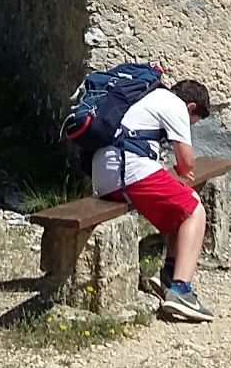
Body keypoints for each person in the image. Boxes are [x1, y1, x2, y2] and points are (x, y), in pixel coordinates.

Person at [90, 76, 215, 322]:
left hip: (107, 174)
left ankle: (169, 274)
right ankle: (181, 290)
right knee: (194, 209)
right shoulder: (174, 104)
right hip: (129, 169)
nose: (191, 124)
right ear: (191, 107)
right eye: (194, 120)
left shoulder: (150, 98)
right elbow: (186, 162)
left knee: (180, 208)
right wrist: (183, 168)